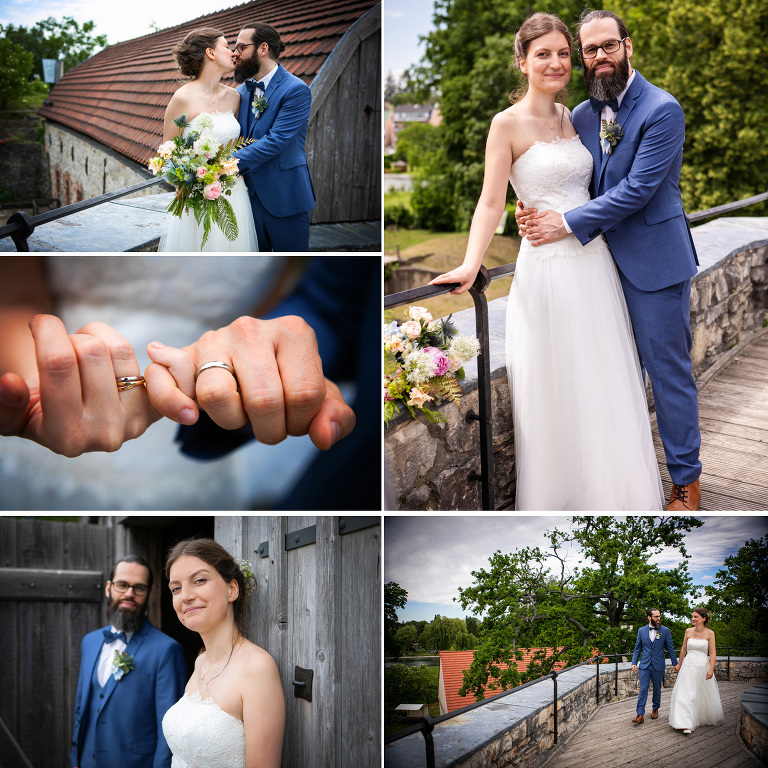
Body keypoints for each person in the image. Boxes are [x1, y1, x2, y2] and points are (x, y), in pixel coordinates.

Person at [430, 12, 664, 510]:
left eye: (563, 53)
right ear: (522, 62)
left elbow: (599, 186)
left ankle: (614, 494)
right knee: (555, 394)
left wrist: (567, 216)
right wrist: (472, 263)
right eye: (543, 54)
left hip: (594, 267)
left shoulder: (576, 116)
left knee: (603, 386)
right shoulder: (505, 124)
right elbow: (491, 201)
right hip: (546, 275)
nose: (556, 63)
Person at [516, 9, 702, 511]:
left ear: (628, 46)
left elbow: (639, 189)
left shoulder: (663, 109)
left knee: (667, 373)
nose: (600, 57)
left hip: (653, 263)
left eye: (608, 46)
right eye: (590, 49)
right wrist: (533, 208)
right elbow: (572, 181)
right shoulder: (578, 114)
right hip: (594, 265)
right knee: (611, 377)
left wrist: (565, 224)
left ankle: (686, 482)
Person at [0, 255, 356, 510]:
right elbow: (15, 299)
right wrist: (43, 381)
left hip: (204, 424)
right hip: (53, 388)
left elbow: (273, 309)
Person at [162, 538, 284, 768]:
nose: (185, 596)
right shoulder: (200, 662)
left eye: (199, 580)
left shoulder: (257, 668)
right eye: (176, 588)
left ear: (232, 589)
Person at [71, 555, 187, 768]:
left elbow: (170, 731)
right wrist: (76, 758)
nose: (129, 594)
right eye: (122, 585)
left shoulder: (167, 650)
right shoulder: (90, 641)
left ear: (149, 594)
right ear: (108, 588)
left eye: (139, 588)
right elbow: (82, 707)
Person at [158, 28, 259, 252]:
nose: (233, 52)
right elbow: (168, 153)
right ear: (210, 53)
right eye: (226, 46)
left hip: (235, 197)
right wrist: (188, 182)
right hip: (197, 201)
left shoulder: (236, 97)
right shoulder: (182, 99)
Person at [231, 23, 316, 252]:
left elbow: (275, 141)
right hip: (247, 199)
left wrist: (224, 163)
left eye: (240, 47)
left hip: (286, 197)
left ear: (263, 48)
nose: (234, 53)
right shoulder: (239, 92)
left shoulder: (296, 90)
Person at [669, 607, 724, 733]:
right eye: (692, 616)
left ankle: (697, 718)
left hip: (702, 666)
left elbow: (712, 652)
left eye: (695, 617)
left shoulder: (710, 633)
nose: (692, 619)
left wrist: (711, 669)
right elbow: (683, 649)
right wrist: (679, 664)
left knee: (697, 694)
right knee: (684, 694)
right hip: (687, 666)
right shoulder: (688, 631)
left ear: (703, 619)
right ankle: (685, 723)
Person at [631, 607, 678, 725]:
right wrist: (634, 662)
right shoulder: (641, 631)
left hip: (658, 664)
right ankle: (640, 714)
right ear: (649, 617)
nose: (658, 619)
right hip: (645, 665)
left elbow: (670, 648)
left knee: (657, 688)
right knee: (643, 689)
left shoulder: (665, 631)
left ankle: (655, 708)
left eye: (659, 616)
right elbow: (637, 648)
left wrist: (675, 663)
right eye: (656, 616)